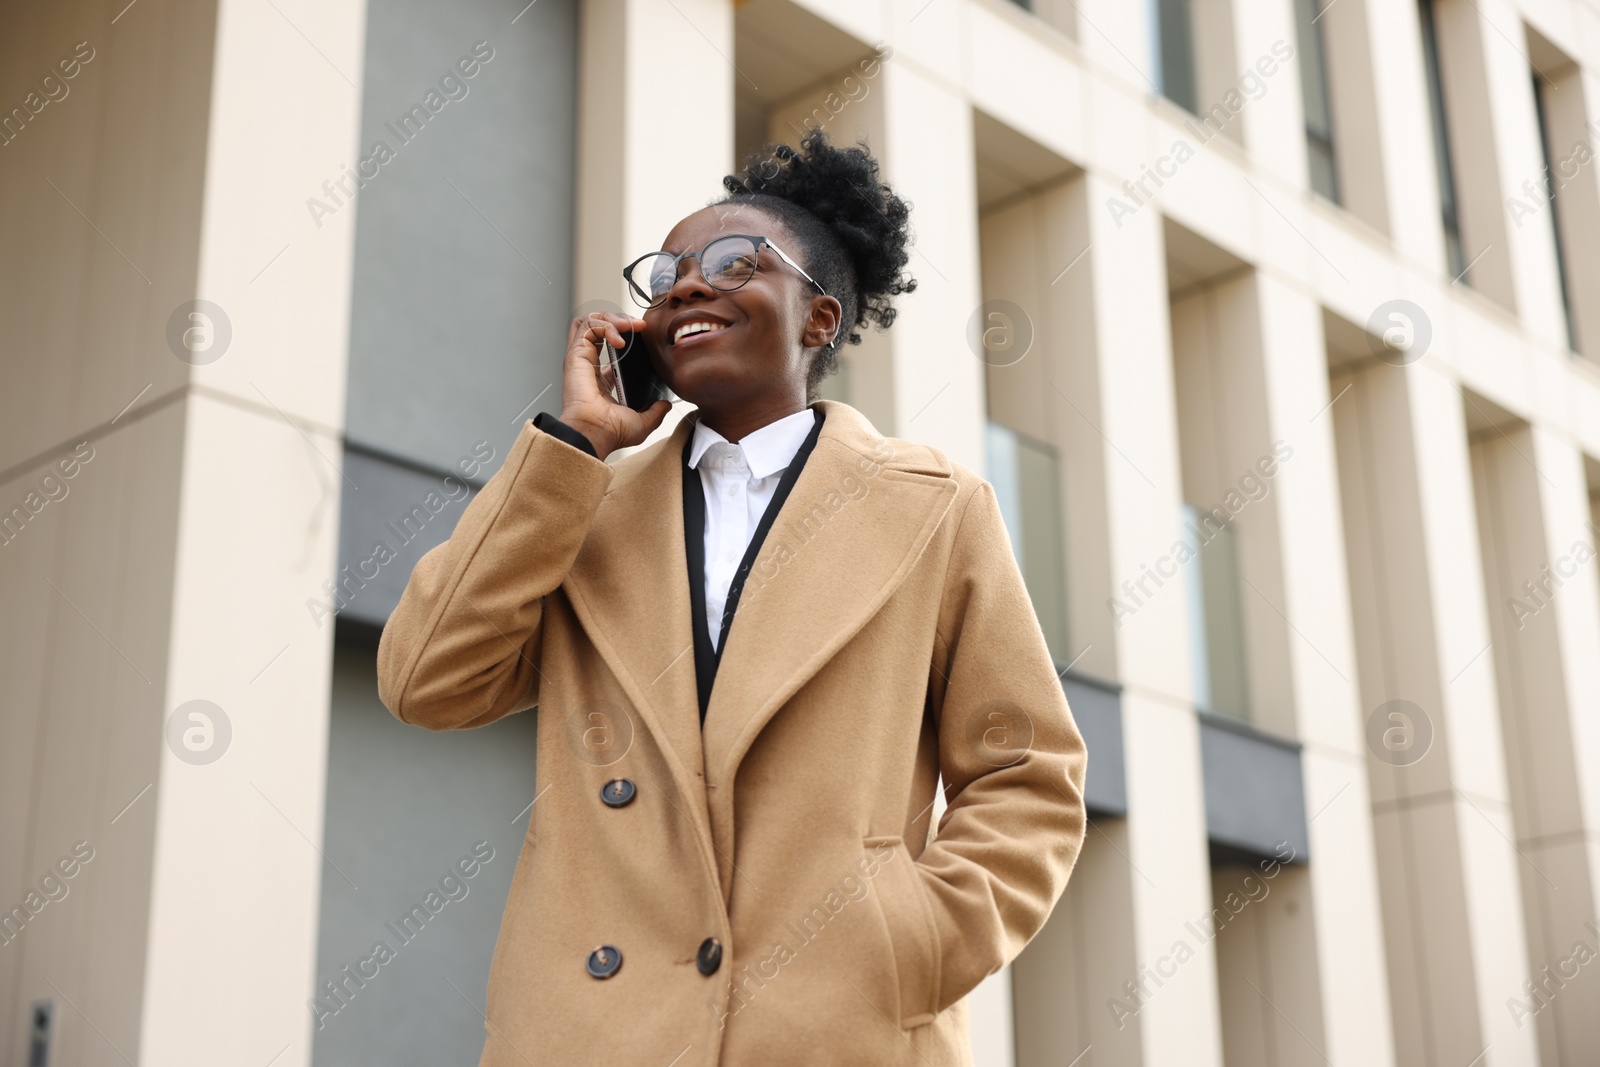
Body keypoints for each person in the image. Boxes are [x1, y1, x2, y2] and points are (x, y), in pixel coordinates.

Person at [376, 128, 1087, 1066]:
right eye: (665, 272)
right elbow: (427, 680)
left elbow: (1024, 774)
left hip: (834, 1025)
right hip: (595, 1035)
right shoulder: (581, 508)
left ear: (820, 319)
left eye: (730, 261)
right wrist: (573, 446)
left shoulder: (935, 507)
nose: (685, 284)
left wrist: (906, 940)